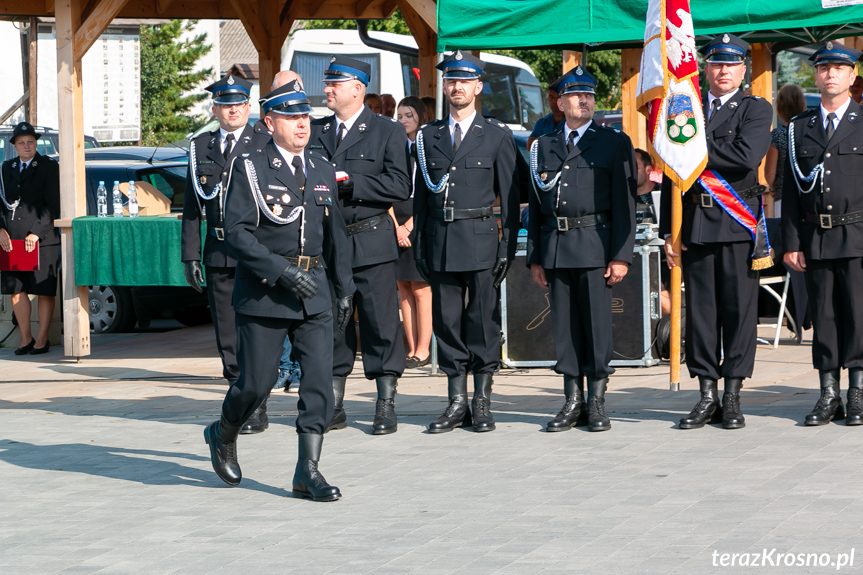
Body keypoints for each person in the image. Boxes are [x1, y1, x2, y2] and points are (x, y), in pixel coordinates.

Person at [203, 80, 355, 500]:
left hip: (316, 290)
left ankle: (308, 470)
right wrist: (282, 272)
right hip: (267, 291)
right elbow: (236, 233)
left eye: (305, 116)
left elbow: (335, 233)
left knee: (320, 383)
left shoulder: (321, 166)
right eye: (291, 117)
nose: (302, 124)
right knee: (256, 383)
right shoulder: (249, 167)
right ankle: (223, 430)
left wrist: (345, 289)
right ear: (269, 122)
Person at [661, 34, 773, 431]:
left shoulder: (757, 109)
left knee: (739, 314)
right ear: (705, 68)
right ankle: (706, 395)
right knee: (702, 317)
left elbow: (746, 156)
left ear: (744, 69)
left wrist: (692, 141)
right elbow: (673, 175)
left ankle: (733, 396)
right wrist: (667, 233)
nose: (723, 71)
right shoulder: (685, 107)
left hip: (736, 222)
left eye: (731, 64)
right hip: (694, 224)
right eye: (716, 63)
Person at [414, 50, 520, 433]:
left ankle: (482, 401)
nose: (456, 87)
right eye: (450, 80)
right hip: (441, 241)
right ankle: (457, 402)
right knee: (447, 323)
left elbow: (509, 199)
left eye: (464, 80)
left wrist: (507, 246)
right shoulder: (428, 136)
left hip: (480, 240)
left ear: (478, 86)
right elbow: (421, 197)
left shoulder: (495, 136)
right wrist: (421, 243)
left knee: (482, 323)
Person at [527, 66, 636, 432]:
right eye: (576, 95)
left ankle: (597, 401)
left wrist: (621, 254)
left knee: (596, 327)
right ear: (561, 102)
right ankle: (572, 399)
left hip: (595, 245)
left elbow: (625, 204)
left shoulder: (613, 143)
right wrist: (535, 258)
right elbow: (537, 204)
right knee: (565, 328)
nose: (584, 100)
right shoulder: (543, 145)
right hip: (556, 246)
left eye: (589, 94)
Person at [309, 56, 411, 435]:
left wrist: (354, 184)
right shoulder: (315, 131)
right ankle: (334, 403)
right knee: (332, 324)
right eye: (327, 82)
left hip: (370, 239)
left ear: (357, 88)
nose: (327, 89)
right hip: (327, 245)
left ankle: (385, 403)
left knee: (380, 323)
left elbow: (401, 186)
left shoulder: (386, 131)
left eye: (335, 83)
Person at [181, 75, 274, 433]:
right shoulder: (200, 146)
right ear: (215, 109)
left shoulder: (263, 141)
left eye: (238, 104)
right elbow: (191, 206)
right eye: (225, 104)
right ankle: (241, 400)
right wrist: (190, 254)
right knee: (227, 334)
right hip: (219, 251)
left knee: (256, 330)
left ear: (248, 108)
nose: (232, 109)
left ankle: (259, 403)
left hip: (255, 251)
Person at [782, 41, 863, 426]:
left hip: (858, 235)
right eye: (824, 68)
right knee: (825, 317)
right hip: (815, 238)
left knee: (858, 316)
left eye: (838, 68)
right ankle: (829, 394)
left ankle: (858, 393)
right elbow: (791, 191)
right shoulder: (799, 128)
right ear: (815, 75)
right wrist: (792, 244)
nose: (830, 74)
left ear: (852, 77)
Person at [0, 122, 60, 355]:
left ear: (37, 144)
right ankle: (25, 338)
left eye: (31, 142)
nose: (27, 146)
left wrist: (37, 232)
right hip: (12, 238)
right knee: (17, 289)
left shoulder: (47, 167)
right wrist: (1, 230)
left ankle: (42, 339)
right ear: (14, 145)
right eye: (22, 142)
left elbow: (53, 204)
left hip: (41, 238)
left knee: (44, 289)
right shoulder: (6, 168)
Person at [391, 96, 433, 368]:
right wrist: (396, 226)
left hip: (420, 219)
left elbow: (431, 192)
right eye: (400, 115)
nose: (403, 120)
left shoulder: (428, 147)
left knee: (420, 289)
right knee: (403, 288)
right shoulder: (394, 146)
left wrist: (409, 225)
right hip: (395, 219)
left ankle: (424, 348)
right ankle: (410, 347)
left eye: (408, 115)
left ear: (420, 117)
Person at [271, 70, 305, 395]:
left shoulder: (309, 136)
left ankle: (298, 368)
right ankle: (282, 368)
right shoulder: (262, 139)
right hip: (277, 254)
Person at [764, 84, 806, 218]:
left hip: (783, 196)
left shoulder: (777, 135)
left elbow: (770, 172)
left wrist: (772, 188)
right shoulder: (809, 133)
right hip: (807, 195)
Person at [526, 76, 565, 149]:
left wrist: (542, 142)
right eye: (551, 97)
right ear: (547, 98)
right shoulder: (541, 123)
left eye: (558, 97)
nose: (554, 101)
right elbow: (530, 146)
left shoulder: (572, 122)